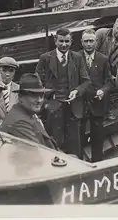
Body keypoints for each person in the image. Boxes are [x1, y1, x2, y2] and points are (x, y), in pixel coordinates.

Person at [35, 28, 91, 157]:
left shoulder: (77, 58)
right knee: (55, 143)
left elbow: (86, 81)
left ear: (71, 41)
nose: (64, 44)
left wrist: (77, 91)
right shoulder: (46, 58)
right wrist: (48, 98)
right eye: (61, 41)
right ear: (55, 41)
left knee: (74, 145)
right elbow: (37, 82)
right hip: (53, 107)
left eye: (67, 41)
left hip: (73, 108)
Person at [78, 29, 113, 162]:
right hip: (80, 104)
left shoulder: (103, 59)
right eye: (86, 41)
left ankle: (98, 164)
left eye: (91, 41)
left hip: (97, 104)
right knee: (78, 138)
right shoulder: (75, 57)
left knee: (97, 138)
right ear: (81, 42)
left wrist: (103, 91)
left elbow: (109, 82)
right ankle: (79, 164)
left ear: (96, 42)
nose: (88, 44)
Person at [0, 73, 59, 151]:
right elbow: (39, 152)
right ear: (20, 97)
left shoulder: (28, 113)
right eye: (34, 95)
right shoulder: (20, 122)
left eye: (41, 95)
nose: (39, 100)